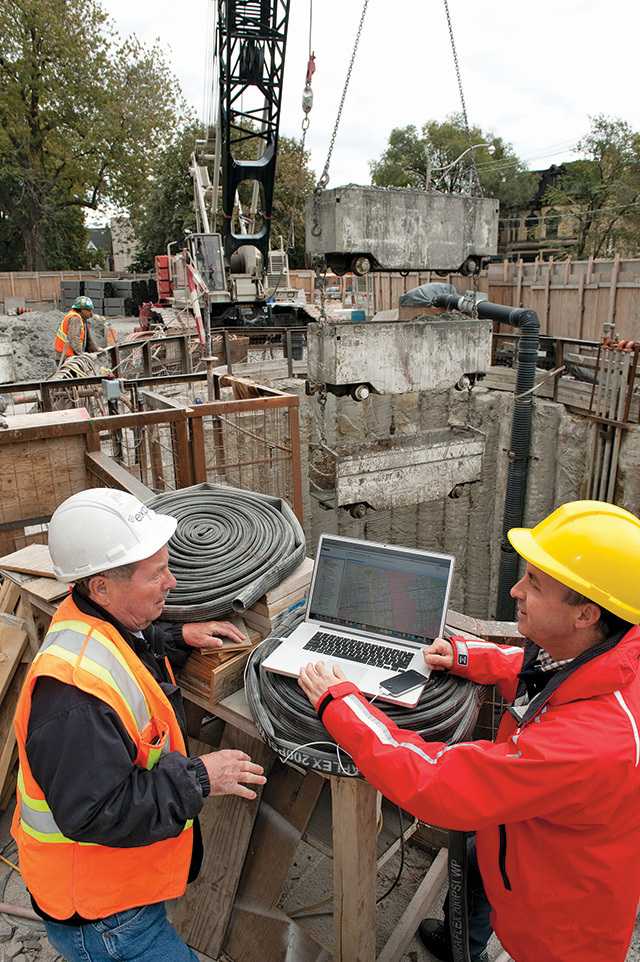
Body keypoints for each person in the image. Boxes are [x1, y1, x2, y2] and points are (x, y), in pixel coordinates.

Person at [299, 500, 640, 962]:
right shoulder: (614, 655)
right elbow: (547, 673)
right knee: (480, 861)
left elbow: (436, 782)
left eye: (534, 584)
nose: (516, 590)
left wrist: (340, 704)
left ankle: (470, 949)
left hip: (558, 928)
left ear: (586, 615)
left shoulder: (588, 745)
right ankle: (462, 944)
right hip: (527, 840)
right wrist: (468, 657)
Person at [12, 488, 266, 962]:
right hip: (104, 918)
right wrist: (200, 778)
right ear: (102, 587)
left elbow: (126, 645)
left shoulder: (91, 617)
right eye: (157, 575)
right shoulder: (74, 701)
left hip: (114, 895)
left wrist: (176, 636)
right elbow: (97, 812)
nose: (172, 582)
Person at [54, 295, 99, 362]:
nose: (92, 314)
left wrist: (96, 349)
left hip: (70, 356)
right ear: (82, 310)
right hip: (66, 358)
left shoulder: (81, 319)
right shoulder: (75, 319)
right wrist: (81, 354)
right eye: (89, 310)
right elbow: (74, 339)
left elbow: (88, 337)